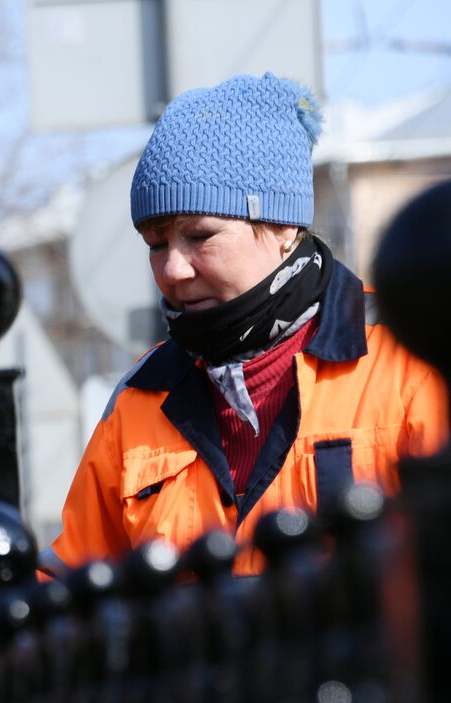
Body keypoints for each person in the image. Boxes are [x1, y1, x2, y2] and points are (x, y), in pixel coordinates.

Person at [43, 73, 448, 578]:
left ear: (284, 227)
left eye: (200, 235)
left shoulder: (410, 356)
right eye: (156, 243)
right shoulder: (137, 400)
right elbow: (67, 598)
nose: (173, 269)